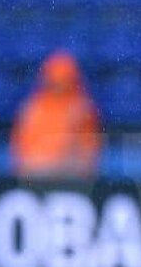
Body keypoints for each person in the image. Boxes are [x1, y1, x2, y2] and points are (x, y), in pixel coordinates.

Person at [9, 50, 103, 179]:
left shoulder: (82, 110)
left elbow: (90, 154)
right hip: (35, 175)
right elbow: (19, 150)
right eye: (55, 81)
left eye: (63, 81)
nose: (59, 86)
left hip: (70, 177)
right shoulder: (32, 108)